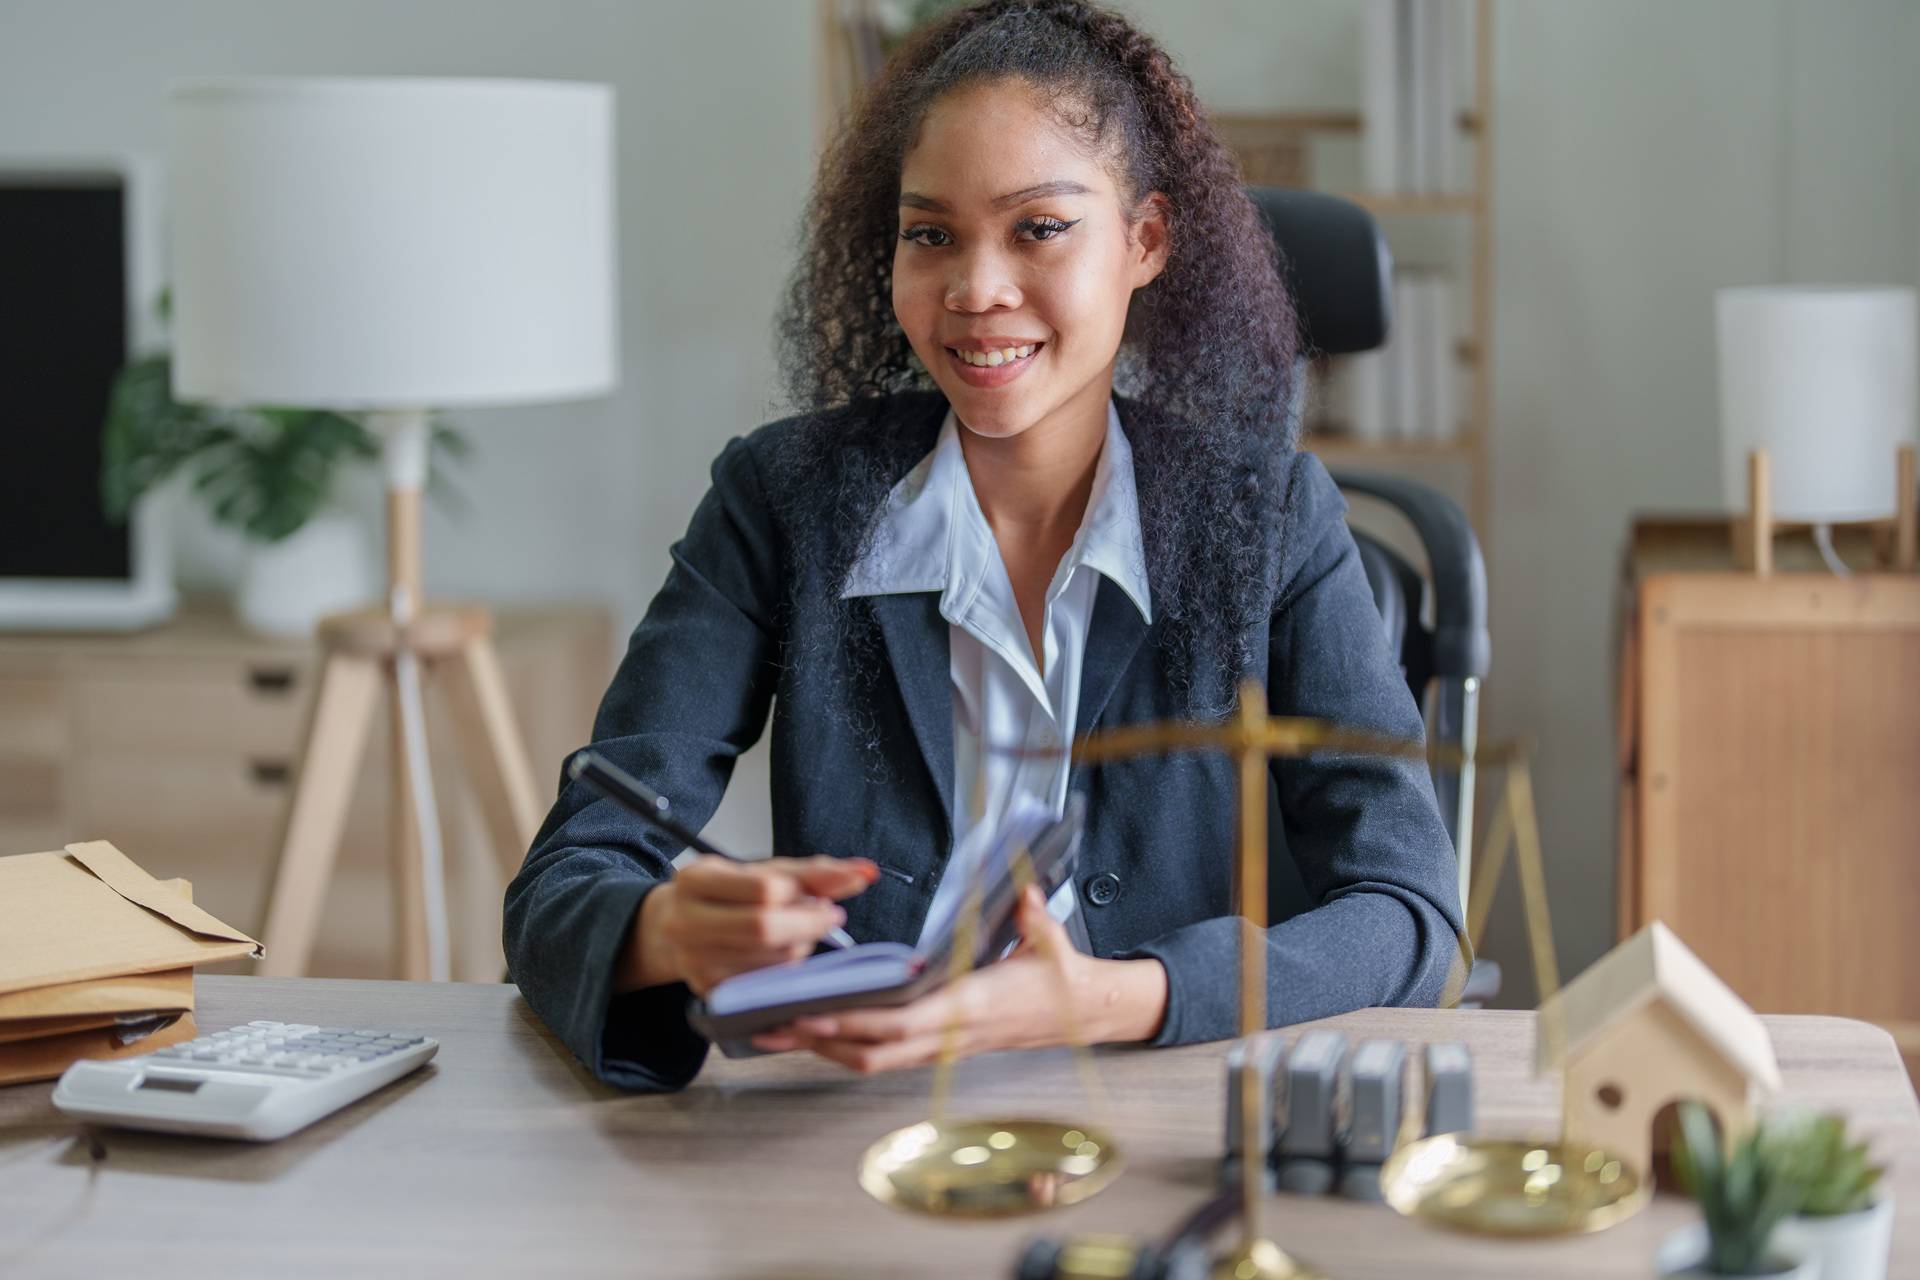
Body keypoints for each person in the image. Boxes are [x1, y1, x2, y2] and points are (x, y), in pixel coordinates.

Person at [505, 0, 1464, 1093]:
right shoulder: (781, 500)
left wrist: (1111, 994)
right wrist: (664, 930)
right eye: (931, 234)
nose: (976, 290)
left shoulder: (1271, 516)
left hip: (1166, 1123)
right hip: (859, 1130)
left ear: (1144, 241)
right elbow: (564, 878)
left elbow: (1412, 912)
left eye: (1039, 228)